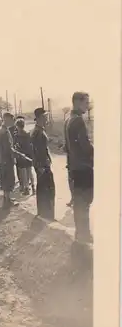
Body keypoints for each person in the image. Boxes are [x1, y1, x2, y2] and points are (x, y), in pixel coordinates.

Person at [64, 92, 93, 244]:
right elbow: (85, 146)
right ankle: (84, 235)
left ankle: (80, 233)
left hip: (75, 167)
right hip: (83, 167)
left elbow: (67, 147)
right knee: (85, 202)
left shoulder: (68, 119)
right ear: (77, 102)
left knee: (79, 202)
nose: (88, 106)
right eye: (86, 102)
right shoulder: (79, 121)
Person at [30, 108, 55, 221]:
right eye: (45, 117)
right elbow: (36, 151)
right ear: (40, 118)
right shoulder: (37, 132)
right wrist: (40, 166)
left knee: (45, 188)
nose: (46, 119)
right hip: (42, 165)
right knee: (46, 189)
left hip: (43, 164)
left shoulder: (39, 130)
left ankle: (45, 213)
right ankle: (46, 214)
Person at [0, 112, 20, 208]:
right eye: (11, 119)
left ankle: (7, 198)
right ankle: (8, 200)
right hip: (6, 158)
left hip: (4, 158)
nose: (12, 121)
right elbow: (7, 148)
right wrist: (17, 154)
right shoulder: (4, 131)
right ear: (6, 119)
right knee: (8, 179)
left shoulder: (2, 129)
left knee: (6, 178)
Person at [14, 118, 35, 195]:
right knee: (29, 171)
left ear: (17, 126)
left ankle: (26, 188)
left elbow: (16, 145)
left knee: (23, 172)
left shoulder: (17, 135)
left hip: (21, 154)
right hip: (28, 154)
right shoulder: (27, 133)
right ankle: (33, 187)